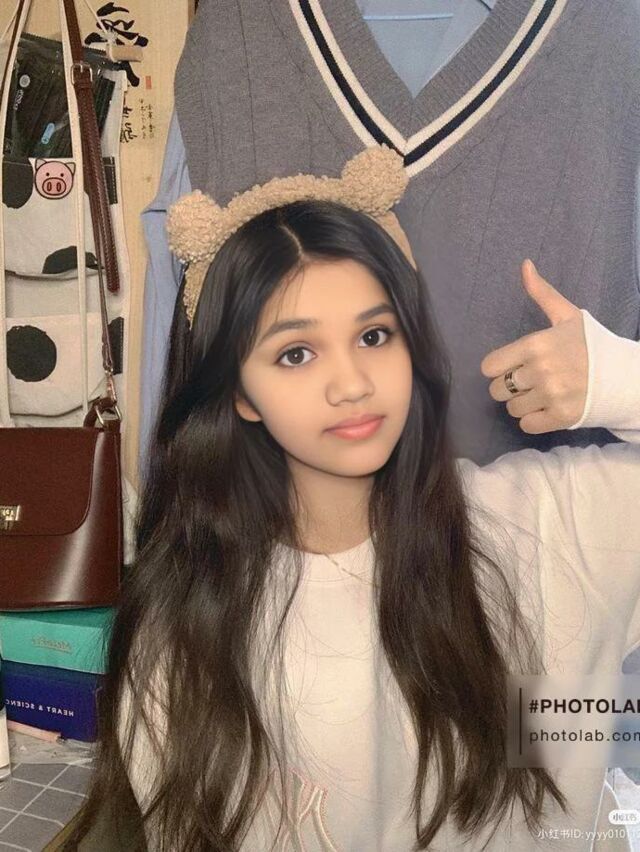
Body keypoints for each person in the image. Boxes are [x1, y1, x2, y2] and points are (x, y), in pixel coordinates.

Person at [67, 150, 640, 851]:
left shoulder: (545, 521)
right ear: (240, 394)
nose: (352, 384)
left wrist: (620, 380)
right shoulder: (186, 626)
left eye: (374, 336)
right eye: (296, 353)